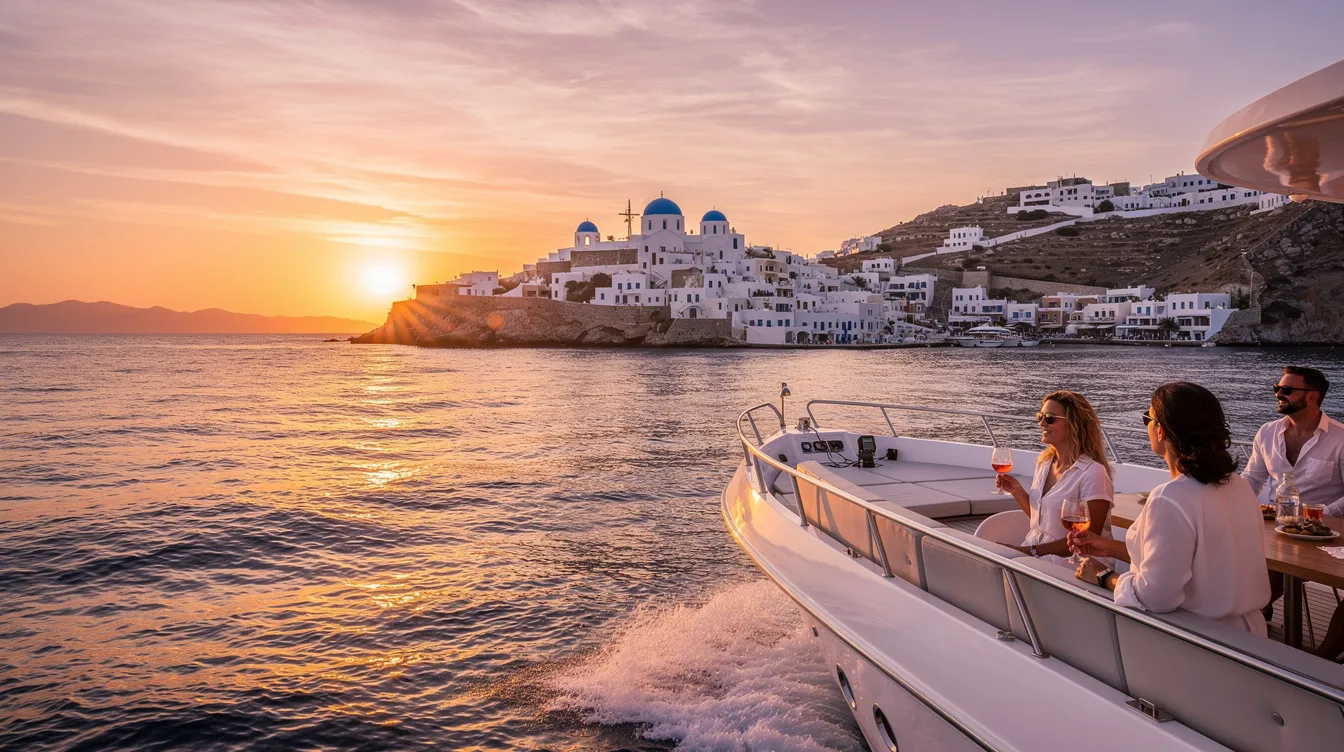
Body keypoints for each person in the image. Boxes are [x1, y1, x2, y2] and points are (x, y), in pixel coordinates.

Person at [1072, 382, 1271, 636]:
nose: (1147, 426)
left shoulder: (1170, 500)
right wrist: (1106, 545)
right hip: (1251, 636)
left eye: (1148, 418)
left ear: (1162, 431)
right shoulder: (1238, 486)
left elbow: (1156, 597)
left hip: (1198, 642)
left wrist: (1104, 576)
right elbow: (1189, 564)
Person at [1241, 366, 1344, 630]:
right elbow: (1252, 479)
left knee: (1275, 571)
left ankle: (1322, 661)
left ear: (1312, 396)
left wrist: (1318, 517)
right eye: (1278, 389)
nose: (1279, 394)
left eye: (1287, 390)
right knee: (1239, 559)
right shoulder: (1267, 433)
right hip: (1278, 529)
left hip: (1326, 537)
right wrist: (1229, 504)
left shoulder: (1341, 438)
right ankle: (1250, 619)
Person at [996, 390, 1114, 562]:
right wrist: (1017, 492)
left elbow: (1087, 538)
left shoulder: (1093, 473)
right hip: (1037, 554)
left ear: (1074, 424)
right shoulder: (1044, 463)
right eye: (1040, 416)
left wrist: (1027, 552)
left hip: (1077, 563)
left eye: (1050, 417)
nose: (1042, 423)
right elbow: (1043, 521)